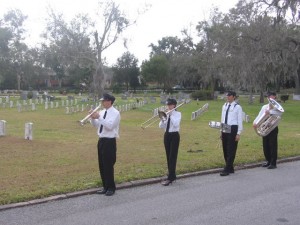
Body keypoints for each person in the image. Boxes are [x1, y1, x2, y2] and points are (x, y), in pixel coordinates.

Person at [90, 93, 120, 196]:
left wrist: (99, 117)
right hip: (101, 140)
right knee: (102, 165)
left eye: (104, 101)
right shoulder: (102, 112)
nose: (102, 102)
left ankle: (111, 187)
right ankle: (105, 186)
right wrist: (93, 118)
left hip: (110, 141)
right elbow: (96, 125)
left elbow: (110, 126)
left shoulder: (116, 113)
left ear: (109, 101)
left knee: (108, 165)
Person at [253, 91, 282, 169]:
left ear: (275, 97)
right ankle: (268, 161)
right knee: (265, 145)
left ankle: (273, 163)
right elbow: (260, 115)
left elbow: (280, 114)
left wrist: (270, 111)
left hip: (272, 127)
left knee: (273, 145)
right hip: (264, 127)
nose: (270, 98)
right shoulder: (264, 106)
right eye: (268, 97)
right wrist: (255, 122)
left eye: (272, 96)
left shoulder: (277, 107)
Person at [220, 91, 243, 176]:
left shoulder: (237, 107)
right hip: (225, 127)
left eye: (229, 96)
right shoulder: (224, 106)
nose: (228, 97)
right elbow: (222, 118)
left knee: (231, 149)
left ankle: (227, 168)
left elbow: (239, 120)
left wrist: (238, 133)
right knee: (225, 148)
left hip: (233, 127)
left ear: (234, 97)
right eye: (227, 95)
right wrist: (221, 131)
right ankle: (230, 167)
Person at [159, 98, 181, 186]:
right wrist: (163, 118)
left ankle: (170, 178)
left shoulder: (178, 114)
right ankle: (171, 175)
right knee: (168, 156)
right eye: (168, 105)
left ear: (174, 105)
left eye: (170, 105)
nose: (168, 106)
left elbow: (176, 124)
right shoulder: (166, 114)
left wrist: (170, 115)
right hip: (166, 135)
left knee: (172, 156)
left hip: (174, 136)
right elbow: (161, 126)